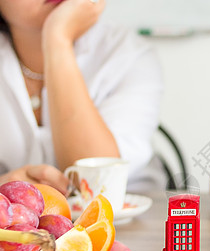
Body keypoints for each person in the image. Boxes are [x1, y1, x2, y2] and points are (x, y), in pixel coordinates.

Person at [0, 0, 163, 195]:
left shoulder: (128, 54)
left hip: (127, 219)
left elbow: (96, 182)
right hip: (17, 224)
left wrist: (58, 40)